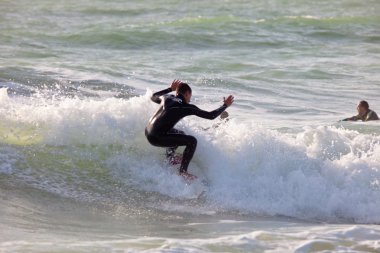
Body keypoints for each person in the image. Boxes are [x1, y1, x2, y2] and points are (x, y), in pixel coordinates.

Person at [145, 79, 234, 180]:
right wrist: (225, 105)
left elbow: (153, 96)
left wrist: (170, 89)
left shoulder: (167, 98)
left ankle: (171, 158)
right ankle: (183, 172)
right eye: (190, 96)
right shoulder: (186, 106)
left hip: (148, 132)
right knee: (192, 141)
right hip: (157, 138)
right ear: (187, 93)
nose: (190, 99)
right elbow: (211, 115)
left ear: (177, 92)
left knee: (180, 133)